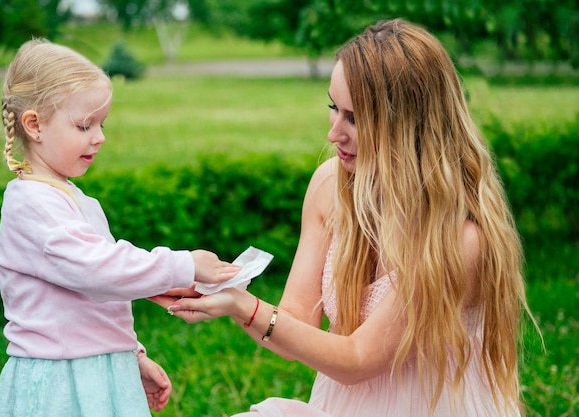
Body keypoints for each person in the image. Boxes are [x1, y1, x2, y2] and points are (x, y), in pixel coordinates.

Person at [153, 19, 537, 416]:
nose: (334, 133)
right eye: (333, 108)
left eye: (354, 118)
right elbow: (295, 320)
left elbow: (357, 359)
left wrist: (243, 306)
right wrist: (220, 292)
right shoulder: (330, 186)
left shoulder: (459, 238)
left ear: (408, 125)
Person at [0, 38, 240, 416]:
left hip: (96, 371)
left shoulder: (75, 199)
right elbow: (99, 272)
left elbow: (96, 298)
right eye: (84, 125)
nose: (100, 136)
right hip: (62, 384)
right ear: (34, 125)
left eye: (101, 123)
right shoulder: (32, 205)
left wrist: (130, 354)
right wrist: (182, 264)